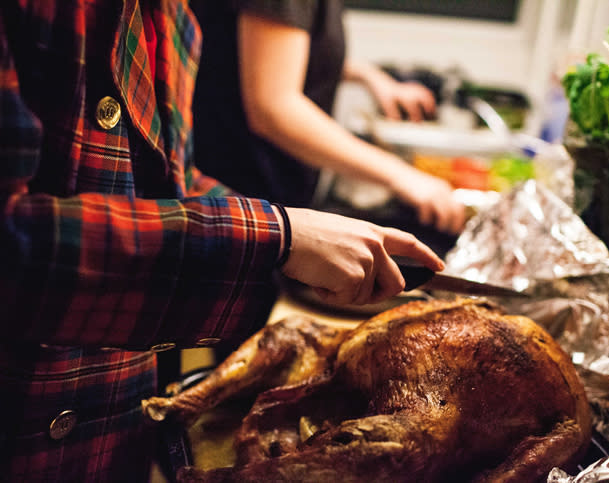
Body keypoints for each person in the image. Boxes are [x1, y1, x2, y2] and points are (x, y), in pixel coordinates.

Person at [0, 1, 445, 481]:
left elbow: (174, 183)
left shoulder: (175, 19)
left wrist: (297, 229)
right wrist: (277, 237)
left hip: (112, 430)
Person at [190, 1, 467, 235]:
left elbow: (275, 50)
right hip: (238, 204)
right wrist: (402, 175)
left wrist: (368, 75)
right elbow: (273, 108)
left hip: (256, 201)